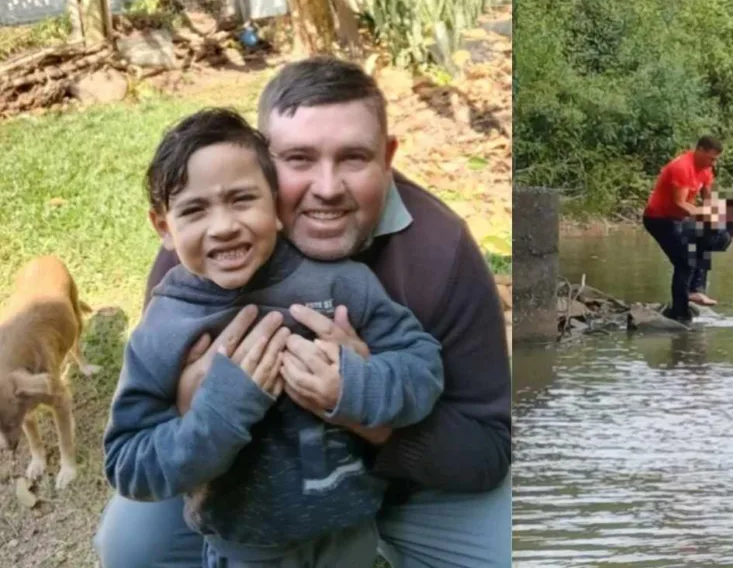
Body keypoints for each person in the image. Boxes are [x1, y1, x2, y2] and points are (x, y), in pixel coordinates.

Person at [94, 58, 512, 568]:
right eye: (298, 158)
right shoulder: (200, 258)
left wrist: (364, 405)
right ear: (262, 165)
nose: (328, 187)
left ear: (388, 157)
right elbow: (139, 437)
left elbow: (488, 448)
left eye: (354, 158)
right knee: (130, 548)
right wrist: (193, 402)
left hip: (395, 480)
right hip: (237, 492)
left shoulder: (440, 252)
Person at [642, 135, 731, 322]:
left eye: (715, 159)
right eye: (711, 158)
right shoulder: (682, 167)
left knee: (712, 236)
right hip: (660, 219)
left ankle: (696, 290)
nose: (712, 163)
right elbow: (680, 203)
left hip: (679, 218)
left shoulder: (705, 169)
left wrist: (715, 216)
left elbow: (709, 198)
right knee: (685, 262)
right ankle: (680, 313)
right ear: (699, 150)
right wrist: (703, 214)